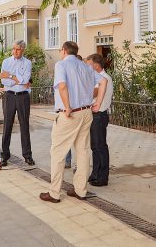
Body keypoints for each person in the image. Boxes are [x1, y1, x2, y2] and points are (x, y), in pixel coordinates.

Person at [39, 41, 108, 203]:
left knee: (58, 152)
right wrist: (97, 103)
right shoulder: (86, 67)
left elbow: (62, 86)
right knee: (83, 151)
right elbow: (104, 81)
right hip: (86, 113)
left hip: (70, 114)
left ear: (63, 51)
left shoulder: (61, 65)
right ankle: (80, 190)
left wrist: (68, 107)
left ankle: (54, 193)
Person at [0, 40, 35, 166]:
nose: (15, 51)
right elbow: (4, 81)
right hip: (9, 96)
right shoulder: (6, 62)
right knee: (7, 125)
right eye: (14, 48)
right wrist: (15, 79)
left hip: (22, 97)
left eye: (18, 49)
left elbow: (26, 80)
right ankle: (4, 155)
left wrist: (11, 76)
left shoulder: (28, 63)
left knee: (24, 126)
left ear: (23, 50)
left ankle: (27, 155)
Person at [86, 53, 114, 187]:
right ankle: (95, 174)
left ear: (96, 65)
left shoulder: (104, 78)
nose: (87, 67)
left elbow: (93, 93)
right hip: (94, 115)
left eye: (89, 64)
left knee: (100, 146)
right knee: (94, 146)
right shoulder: (97, 78)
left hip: (99, 115)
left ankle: (103, 177)